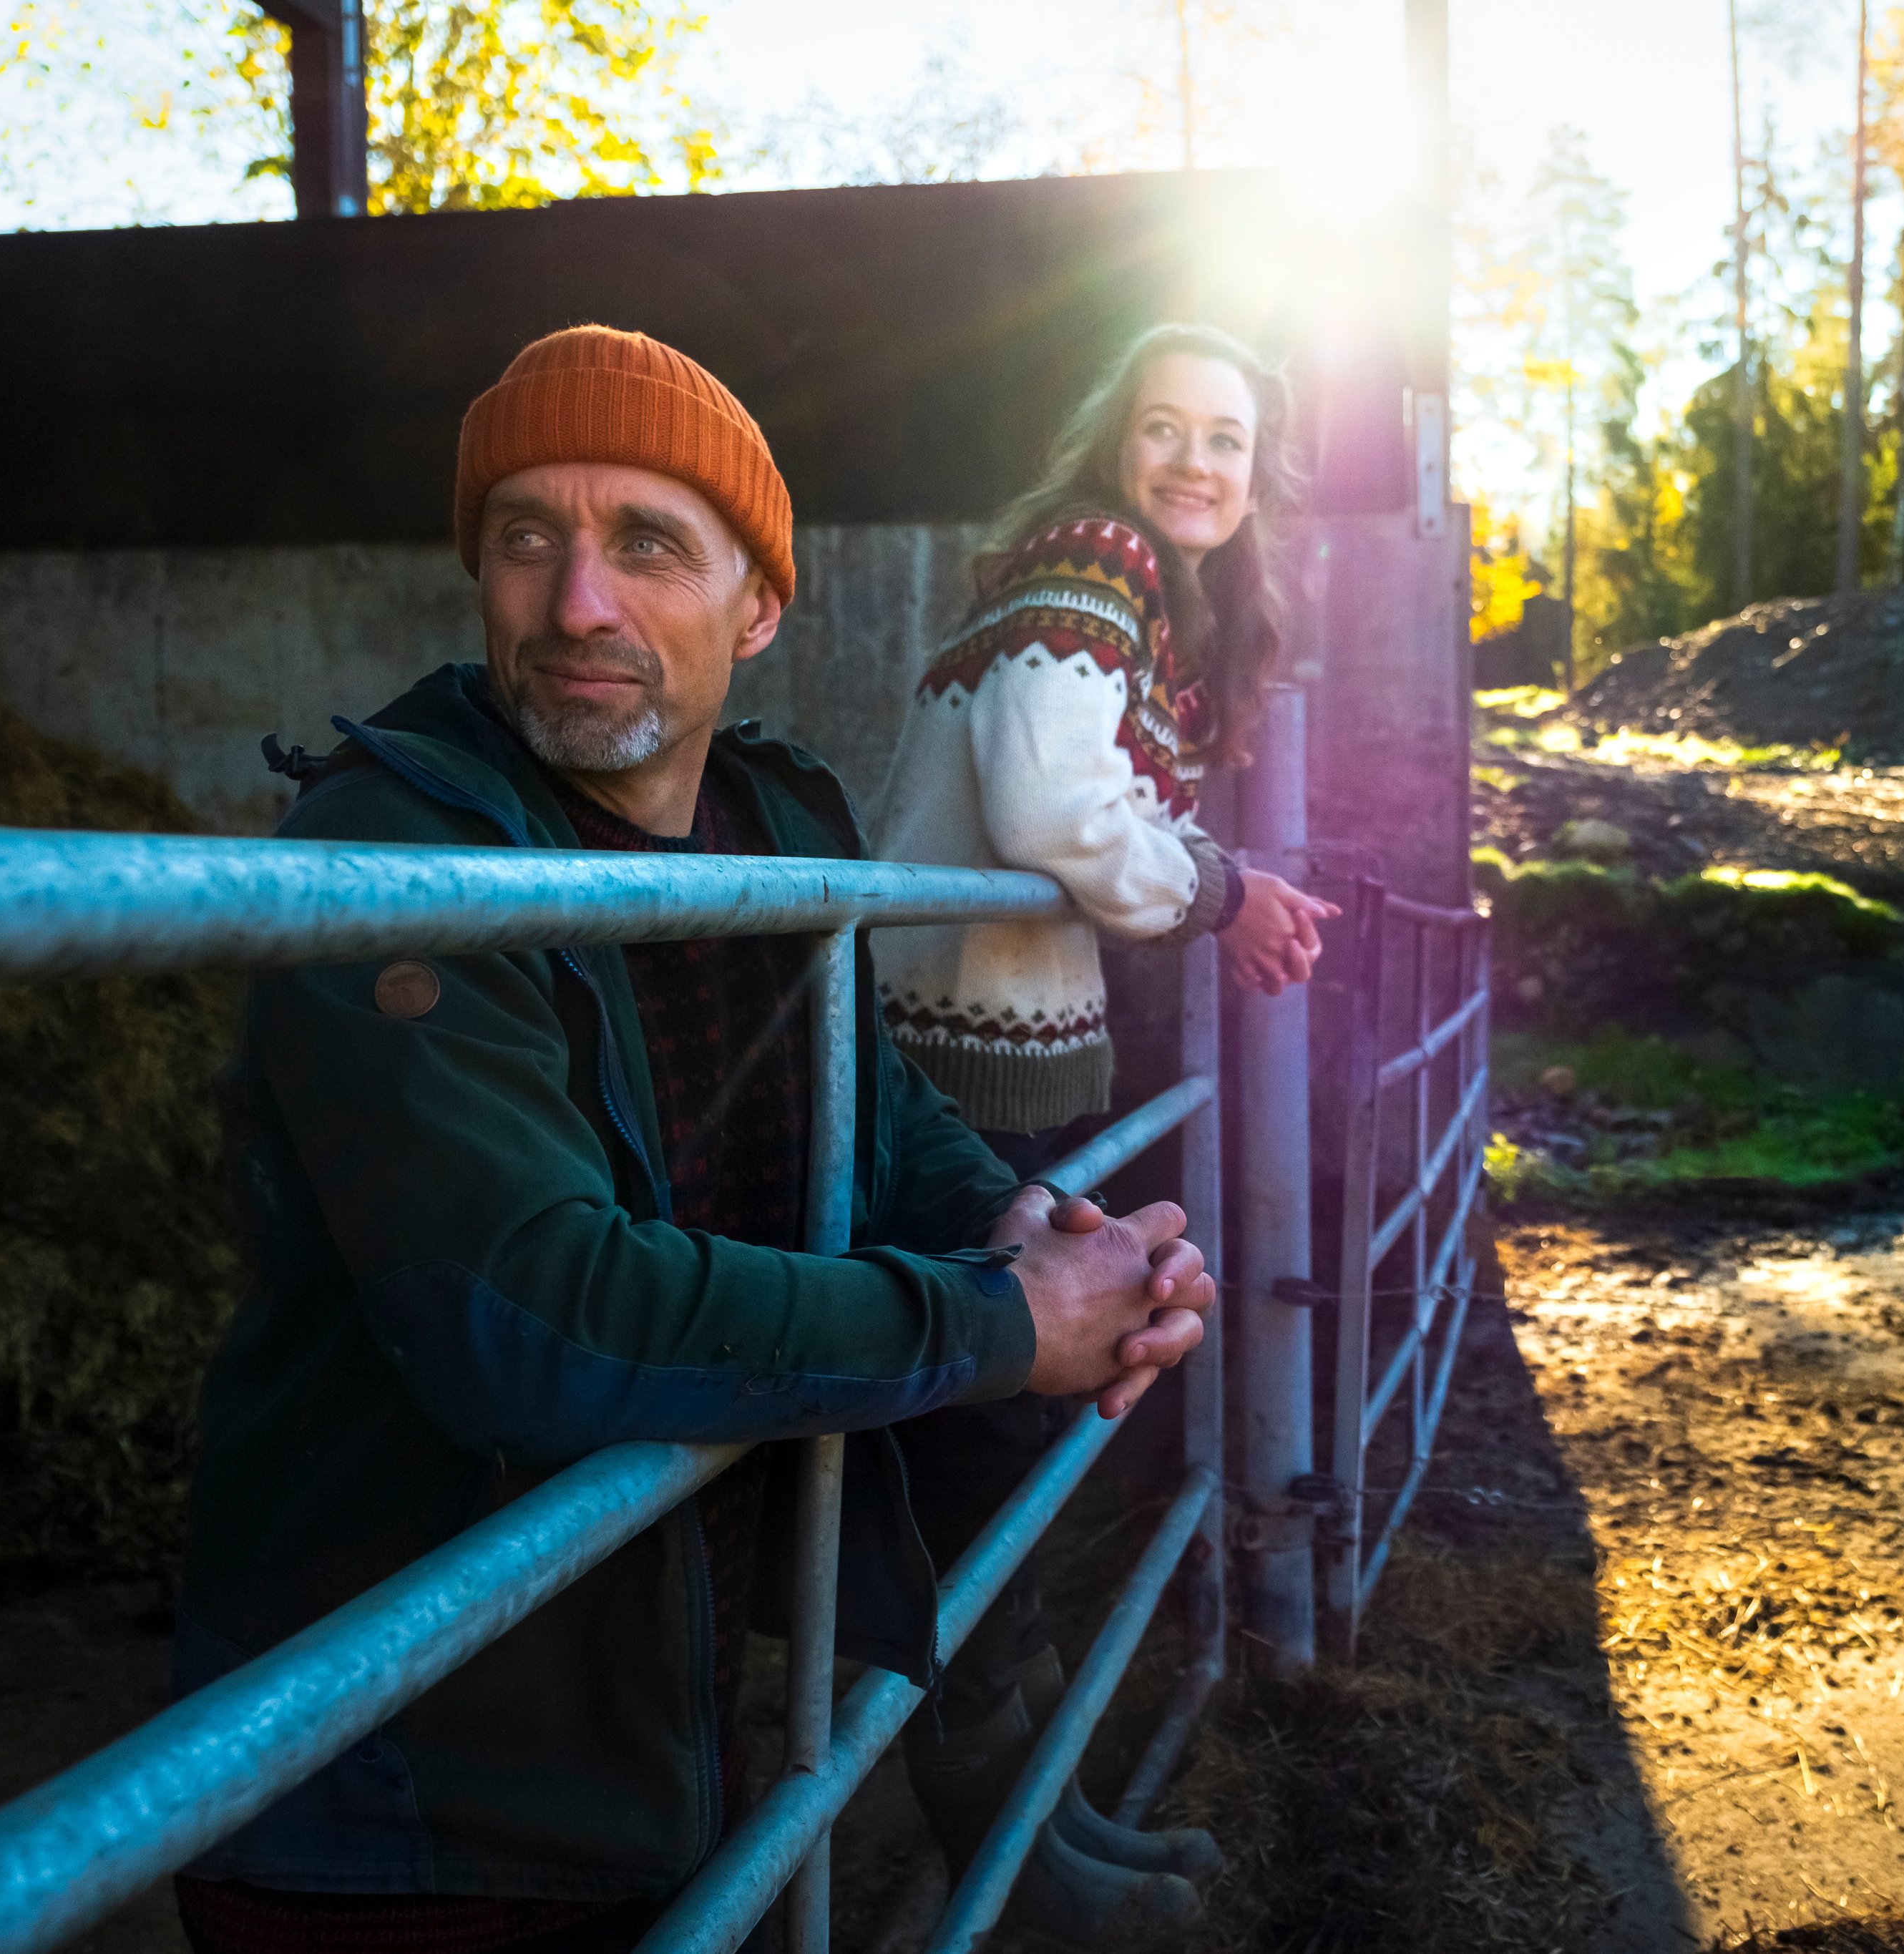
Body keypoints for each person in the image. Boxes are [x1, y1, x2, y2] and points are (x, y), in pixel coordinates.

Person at [172, 325, 1216, 1954]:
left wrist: (1050, 1231)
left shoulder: (777, 827)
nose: (577, 602)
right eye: (528, 537)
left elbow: (864, 1107)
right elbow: (531, 1314)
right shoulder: (392, 858)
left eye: (648, 543)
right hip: (406, 1798)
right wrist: (1002, 1325)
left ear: (762, 605)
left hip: (666, 1691)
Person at [871, 320, 1342, 1170]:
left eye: (1225, 440)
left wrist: (1237, 888)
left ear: (1253, 483)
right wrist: (1226, 900)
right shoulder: (1098, 553)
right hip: (949, 1057)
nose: (1194, 460)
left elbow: (1133, 813)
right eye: (1161, 426)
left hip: (1005, 1046)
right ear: (1114, 448)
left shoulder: (1163, 609)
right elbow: (1053, 815)